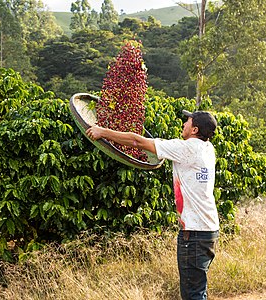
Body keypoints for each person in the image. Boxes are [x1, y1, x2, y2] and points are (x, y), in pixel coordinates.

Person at [86, 109, 220, 300]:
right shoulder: (208, 149)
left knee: (193, 294)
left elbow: (137, 141)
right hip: (209, 230)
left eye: (187, 121)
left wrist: (103, 132)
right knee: (198, 288)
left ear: (194, 129)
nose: (184, 124)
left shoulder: (186, 148)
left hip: (195, 233)